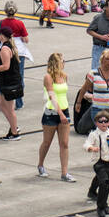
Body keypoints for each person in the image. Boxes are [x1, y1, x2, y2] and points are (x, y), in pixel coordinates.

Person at [37, 52, 74, 182]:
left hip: (64, 110)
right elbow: (52, 96)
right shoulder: (48, 77)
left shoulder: (64, 76)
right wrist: (61, 114)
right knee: (47, 142)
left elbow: (63, 95)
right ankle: (40, 164)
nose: (64, 63)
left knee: (64, 144)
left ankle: (64, 172)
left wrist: (64, 113)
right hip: (52, 112)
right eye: (63, 61)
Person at [84, 110, 109, 217]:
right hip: (100, 162)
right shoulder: (94, 134)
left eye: (106, 121)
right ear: (96, 123)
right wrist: (91, 148)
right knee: (103, 183)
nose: (104, 124)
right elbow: (86, 144)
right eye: (101, 122)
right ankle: (100, 206)